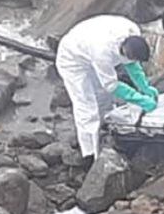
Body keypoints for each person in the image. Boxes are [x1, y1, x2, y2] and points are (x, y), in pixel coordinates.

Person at [55, 14, 157, 162]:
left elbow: (132, 65)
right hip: (73, 59)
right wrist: (140, 99)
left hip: (89, 45)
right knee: (87, 106)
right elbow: (111, 85)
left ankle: (108, 135)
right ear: (125, 51)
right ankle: (90, 153)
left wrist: (145, 86)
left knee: (104, 100)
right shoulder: (102, 51)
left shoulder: (132, 30)